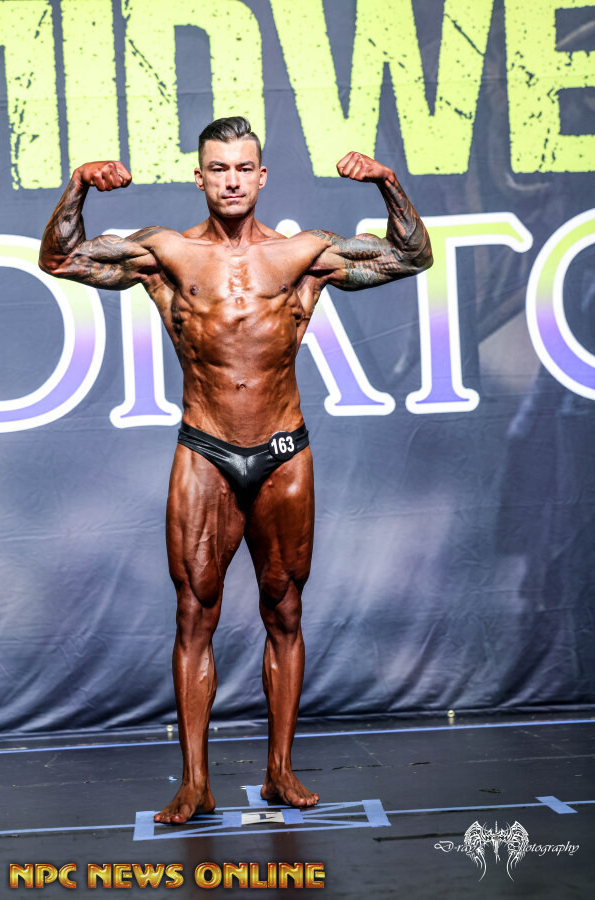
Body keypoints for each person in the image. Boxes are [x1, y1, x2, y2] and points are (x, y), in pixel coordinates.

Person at [39, 116, 432, 825]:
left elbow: (411, 256)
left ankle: (280, 771)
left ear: (262, 176)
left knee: (285, 610)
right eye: (218, 168)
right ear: (200, 177)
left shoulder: (303, 254)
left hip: (282, 452)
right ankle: (195, 782)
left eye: (243, 168)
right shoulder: (166, 253)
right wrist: (77, 188)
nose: (231, 180)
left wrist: (388, 183)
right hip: (206, 451)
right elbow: (61, 259)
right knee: (195, 614)